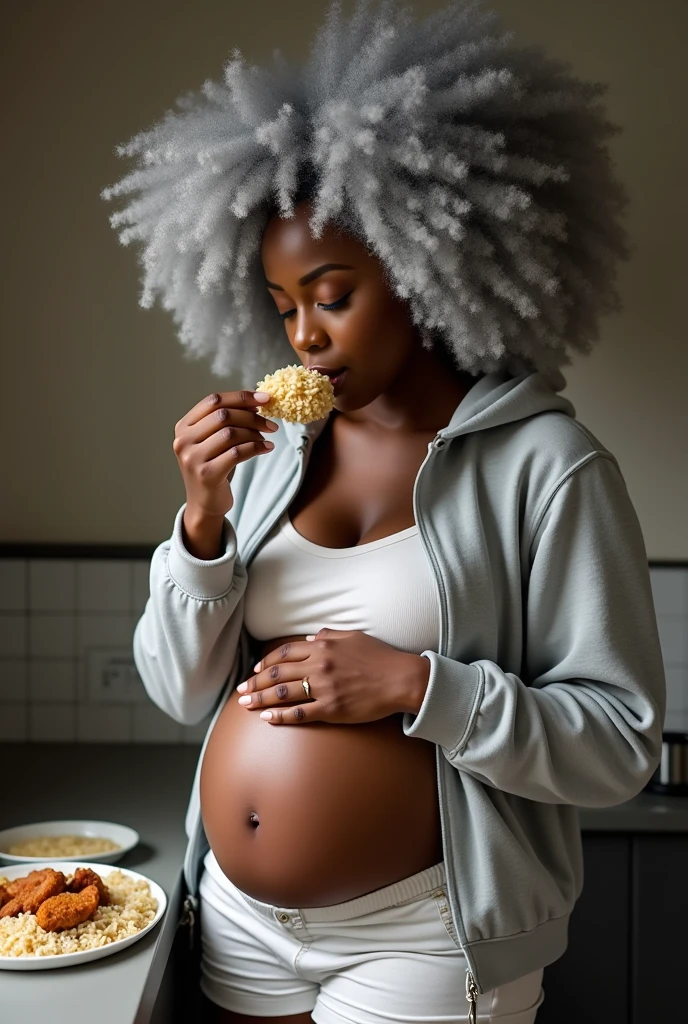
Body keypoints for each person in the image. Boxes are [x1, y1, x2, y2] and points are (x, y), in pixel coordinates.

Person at [101, 2, 666, 1021]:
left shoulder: (548, 466)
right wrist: (201, 521)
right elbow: (181, 693)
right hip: (237, 917)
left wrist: (415, 682)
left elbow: (619, 744)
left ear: (422, 269)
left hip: (427, 933)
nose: (304, 338)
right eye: (283, 306)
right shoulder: (273, 457)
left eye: (331, 293)